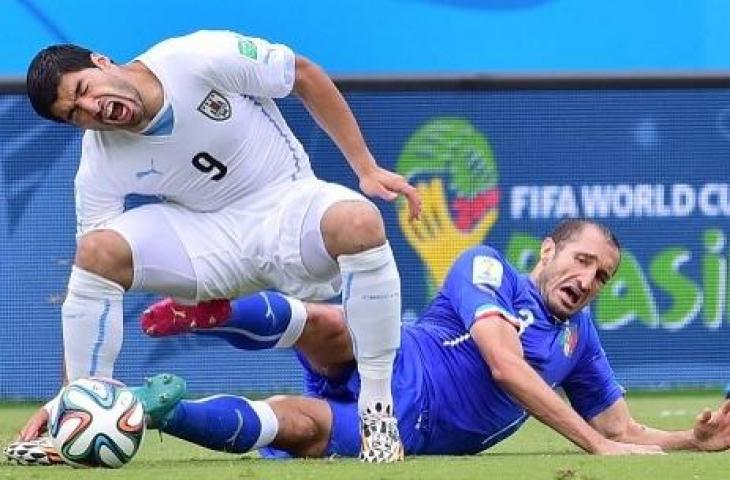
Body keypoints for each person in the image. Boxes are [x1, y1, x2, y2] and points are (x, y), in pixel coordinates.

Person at [22, 30, 421, 462]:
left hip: (286, 211)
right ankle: (79, 418)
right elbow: (87, 285)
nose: (91, 109)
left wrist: (365, 168)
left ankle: (377, 412)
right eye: (75, 114)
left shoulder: (195, 57)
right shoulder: (99, 161)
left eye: (83, 90)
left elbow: (303, 74)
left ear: (102, 62)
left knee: (359, 221)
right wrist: (64, 399)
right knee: (96, 253)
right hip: (209, 246)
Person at [69, 219, 730, 458]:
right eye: (582, 262)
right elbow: (503, 365)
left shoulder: (578, 336)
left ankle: (155, 407)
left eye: (603, 276)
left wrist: (689, 443)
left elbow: (622, 430)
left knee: (296, 423)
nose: (589, 280)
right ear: (549, 251)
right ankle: (215, 312)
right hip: (398, 362)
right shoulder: (489, 267)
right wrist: (591, 447)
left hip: (408, 431)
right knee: (334, 325)